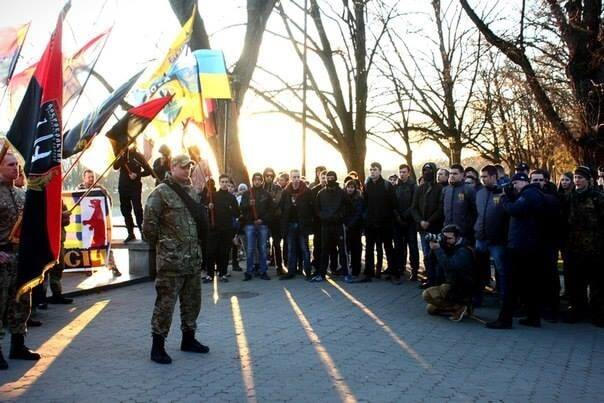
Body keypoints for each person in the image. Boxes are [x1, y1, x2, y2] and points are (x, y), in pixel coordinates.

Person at [143, 154, 209, 364]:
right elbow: (148, 229)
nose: (187, 170)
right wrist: (166, 246)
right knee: (165, 304)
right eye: (183, 167)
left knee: (192, 302)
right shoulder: (160, 193)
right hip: (171, 261)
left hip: (192, 260)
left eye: (189, 167)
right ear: (172, 167)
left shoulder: (192, 192)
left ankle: (188, 339)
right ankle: (158, 346)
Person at [486, 172, 545, 329]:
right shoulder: (532, 194)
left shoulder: (529, 194)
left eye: (515, 184)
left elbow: (514, 210)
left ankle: (505, 319)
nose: (513, 187)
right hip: (528, 245)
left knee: (510, 284)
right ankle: (533, 317)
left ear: (522, 182)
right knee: (529, 284)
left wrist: (505, 198)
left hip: (521, 246)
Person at [0, 151, 40, 369]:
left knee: (21, 301)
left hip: (20, 256)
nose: (16, 168)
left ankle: (18, 344)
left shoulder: (21, 194)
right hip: (2, 257)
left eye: (17, 164)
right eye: (10, 164)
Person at [563, 166, 604, 327]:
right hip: (574, 248)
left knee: (597, 285)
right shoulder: (570, 197)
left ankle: (598, 314)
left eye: (580, 178)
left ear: (588, 180)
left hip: (595, 247)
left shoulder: (597, 197)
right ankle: (577, 311)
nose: (577, 181)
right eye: (575, 178)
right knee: (575, 283)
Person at [422, 225, 475, 322]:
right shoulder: (449, 245)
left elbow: (449, 266)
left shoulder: (464, 250)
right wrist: (434, 248)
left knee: (427, 294)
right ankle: (456, 308)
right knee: (431, 309)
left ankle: (461, 306)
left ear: (458, 237)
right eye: (444, 237)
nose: (446, 240)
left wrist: (438, 250)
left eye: (449, 238)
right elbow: (430, 262)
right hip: (451, 283)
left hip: (460, 287)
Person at [76, 169, 121, 276]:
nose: (91, 179)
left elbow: (108, 203)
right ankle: (88, 267)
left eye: (93, 177)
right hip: (85, 225)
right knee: (87, 246)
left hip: (100, 223)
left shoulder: (100, 189)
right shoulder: (79, 190)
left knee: (105, 245)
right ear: (84, 178)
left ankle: (112, 266)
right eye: (89, 177)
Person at [474, 165, 508, 305]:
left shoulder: (503, 192)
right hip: (481, 237)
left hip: (497, 239)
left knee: (501, 269)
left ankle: (504, 297)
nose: (482, 180)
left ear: (494, 177)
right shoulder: (480, 193)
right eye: (481, 177)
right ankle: (478, 297)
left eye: (485, 177)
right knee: (479, 269)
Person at [361, 162, 397, 283]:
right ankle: (369, 273)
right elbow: (364, 203)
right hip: (370, 223)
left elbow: (393, 204)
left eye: (375, 169)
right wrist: (366, 218)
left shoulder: (387, 185)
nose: (372, 172)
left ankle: (393, 273)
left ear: (380, 171)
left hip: (385, 223)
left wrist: (388, 218)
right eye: (371, 170)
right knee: (369, 249)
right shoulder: (367, 185)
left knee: (388, 248)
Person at [411, 163, 444, 288]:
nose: (426, 172)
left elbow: (440, 209)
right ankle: (430, 279)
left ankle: (438, 280)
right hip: (423, 228)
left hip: (435, 227)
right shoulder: (420, 188)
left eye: (429, 170)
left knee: (436, 254)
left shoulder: (440, 188)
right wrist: (420, 221)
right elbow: (413, 207)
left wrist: (429, 221)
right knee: (426, 255)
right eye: (424, 170)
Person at [204, 174, 240, 283]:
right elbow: (205, 209)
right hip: (214, 228)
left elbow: (237, 213)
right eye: (222, 182)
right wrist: (209, 207)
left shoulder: (231, 198)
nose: (224, 184)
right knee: (211, 252)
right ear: (219, 183)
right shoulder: (213, 196)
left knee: (224, 252)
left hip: (226, 229)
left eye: (226, 182)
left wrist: (230, 209)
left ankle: (223, 273)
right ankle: (210, 274)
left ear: (229, 183)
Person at [113, 145, 153, 242]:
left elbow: (149, 171)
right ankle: (130, 233)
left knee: (137, 209)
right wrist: (119, 157)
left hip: (135, 186)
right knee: (125, 210)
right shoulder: (121, 154)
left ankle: (142, 232)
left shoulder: (138, 156)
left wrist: (137, 175)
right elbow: (115, 166)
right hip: (123, 186)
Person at [314, 171, 348, 282]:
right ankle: (322, 274)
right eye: (328, 177)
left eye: (332, 177)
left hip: (338, 225)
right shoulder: (321, 193)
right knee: (324, 250)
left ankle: (346, 274)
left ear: (336, 178)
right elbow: (317, 209)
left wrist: (339, 216)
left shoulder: (342, 193)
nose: (329, 179)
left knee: (342, 250)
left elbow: (347, 207)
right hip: (326, 226)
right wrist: (323, 216)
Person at [279, 169, 314, 279]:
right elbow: (281, 207)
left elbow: (311, 208)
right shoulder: (286, 192)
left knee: (305, 249)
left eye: (298, 177)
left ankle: (308, 272)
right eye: (294, 177)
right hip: (290, 224)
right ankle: (291, 272)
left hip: (302, 224)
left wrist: (309, 222)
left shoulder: (307, 191)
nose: (296, 179)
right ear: (290, 178)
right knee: (291, 249)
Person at [240, 173, 274, 281]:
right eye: (255, 179)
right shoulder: (247, 194)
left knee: (263, 249)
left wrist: (262, 220)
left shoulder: (266, 194)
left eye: (259, 179)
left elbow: (270, 211)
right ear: (252, 180)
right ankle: (249, 271)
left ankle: (263, 271)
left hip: (262, 225)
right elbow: (242, 208)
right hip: (250, 224)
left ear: (262, 181)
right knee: (250, 249)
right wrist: (249, 205)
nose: (257, 181)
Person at [393, 164, 420, 281]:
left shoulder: (414, 186)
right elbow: (392, 203)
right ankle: (400, 268)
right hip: (398, 221)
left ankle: (415, 270)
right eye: (400, 172)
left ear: (408, 173)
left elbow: (415, 203)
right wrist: (398, 216)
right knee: (399, 246)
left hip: (410, 221)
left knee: (413, 247)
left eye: (404, 172)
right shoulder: (395, 186)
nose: (402, 174)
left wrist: (405, 215)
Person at [442, 164, 477, 243]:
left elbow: (476, 211)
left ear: (462, 175)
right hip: (448, 232)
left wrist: (469, 227)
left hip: (464, 234)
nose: (452, 176)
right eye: (450, 173)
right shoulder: (445, 190)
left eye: (455, 173)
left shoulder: (469, 190)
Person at [263, 167, 285, 275]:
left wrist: (266, 201)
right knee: (262, 244)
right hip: (263, 219)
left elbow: (276, 202)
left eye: (271, 176)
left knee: (276, 243)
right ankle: (261, 268)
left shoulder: (277, 188)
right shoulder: (260, 187)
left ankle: (279, 267)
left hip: (276, 218)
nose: (269, 177)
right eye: (267, 175)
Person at [343, 179, 364, 282]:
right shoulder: (343, 198)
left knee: (356, 249)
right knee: (346, 250)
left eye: (352, 187)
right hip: (345, 227)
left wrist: (350, 224)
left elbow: (359, 213)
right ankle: (346, 269)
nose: (350, 189)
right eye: (348, 187)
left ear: (355, 188)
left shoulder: (359, 198)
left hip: (355, 228)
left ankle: (356, 270)